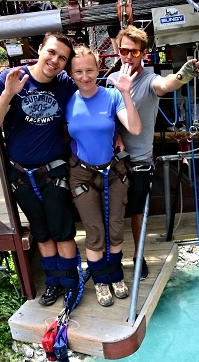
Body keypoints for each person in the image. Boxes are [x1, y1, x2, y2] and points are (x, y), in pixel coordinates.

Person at [0, 32, 79, 307]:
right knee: (41, 230)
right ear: (39, 49)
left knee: (62, 230)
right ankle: (53, 281)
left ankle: (69, 281)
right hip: (21, 174)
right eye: (52, 52)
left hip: (53, 170)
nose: (55, 60)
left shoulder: (65, 86)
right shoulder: (12, 78)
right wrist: (8, 94)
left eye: (62, 57)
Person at [109, 25, 199, 280]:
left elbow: (166, 84)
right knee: (114, 214)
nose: (128, 57)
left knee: (138, 212)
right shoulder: (111, 80)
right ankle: (112, 260)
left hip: (140, 160)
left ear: (144, 54)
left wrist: (183, 74)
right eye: (124, 51)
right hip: (115, 160)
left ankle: (139, 257)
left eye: (135, 53)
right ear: (118, 51)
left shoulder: (149, 80)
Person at [66, 45, 141, 306]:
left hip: (113, 171)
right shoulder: (68, 99)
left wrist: (126, 93)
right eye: (78, 71)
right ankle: (100, 280)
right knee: (95, 231)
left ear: (98, 69)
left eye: (89, 70)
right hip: (82, 174)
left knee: (116, 228)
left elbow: (134, 127)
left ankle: (115, 275)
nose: (85, 76)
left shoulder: (112, 96)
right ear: (71, 73)